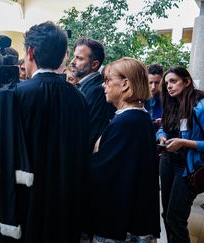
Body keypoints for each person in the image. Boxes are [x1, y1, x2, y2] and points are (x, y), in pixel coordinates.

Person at [0, 21, 90, 242]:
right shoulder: (79, 98)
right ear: (64, 56)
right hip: (64, 206)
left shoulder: (10, 96)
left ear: (30, 52)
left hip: (22, 207)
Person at [87, 57, 160, 242]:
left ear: (126, 84)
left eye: (108, 80)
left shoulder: (125, 122)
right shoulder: (140, 118)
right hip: (133, 218)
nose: (104, 86)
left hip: (116, 225)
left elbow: (103, 173)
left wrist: (96, 150)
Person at [157, 66, 204, 242]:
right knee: (167, 214)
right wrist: (163, 136)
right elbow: (162, 129)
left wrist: (184, 143)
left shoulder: (203, 107)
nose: (169, 87)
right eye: (166, 84)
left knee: (176, 218)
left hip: (188, 167)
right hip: (167, 162)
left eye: (173, 81)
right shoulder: (172, 104)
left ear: (187, 82)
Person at [70, 38, 115, 147]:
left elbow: (92, 133)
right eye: (74, 56)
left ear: (94, 64)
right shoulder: (83, 87)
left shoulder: (98, 90)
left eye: (79, 58)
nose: (72, 62)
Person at [145, 64, 163, 129]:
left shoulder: (167, 100)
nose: (153, 87)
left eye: (157, 83)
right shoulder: (138, 99)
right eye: (150, 82)